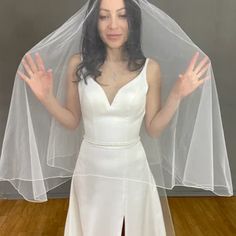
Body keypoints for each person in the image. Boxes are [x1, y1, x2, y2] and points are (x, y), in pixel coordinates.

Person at [0, 0, 233, 235]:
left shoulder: (150, 69)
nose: (113, 25)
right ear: (94, 22)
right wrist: (46, 98)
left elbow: (153, 128)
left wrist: (176, 95)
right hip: (91, 169)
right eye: (104, 16)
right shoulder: (77, 64)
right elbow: (71, 121)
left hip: (133, 169)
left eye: (121, 16)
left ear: (132, 21)